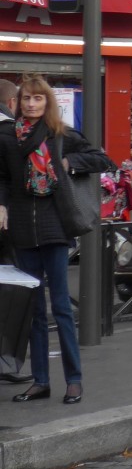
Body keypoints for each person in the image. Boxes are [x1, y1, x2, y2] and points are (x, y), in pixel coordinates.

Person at [0, 75, 114, 405]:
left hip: (55, 227)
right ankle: (41, 381)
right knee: (34, 309)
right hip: (22, 229)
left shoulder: (59, 134)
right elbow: (4, 178)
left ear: (47, 102)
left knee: (61, 306)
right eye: (26, 100)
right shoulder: (7, 137)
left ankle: (74, 380)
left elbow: (102, 158)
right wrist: (2, 204)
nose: (31, 104)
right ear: (18, 103)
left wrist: (68, 161)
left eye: (38, 99)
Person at [0, 79, 32, 385]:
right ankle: (7, 361)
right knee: (13, 290)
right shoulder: (13, 133)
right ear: (13, 103)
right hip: (7, 223)